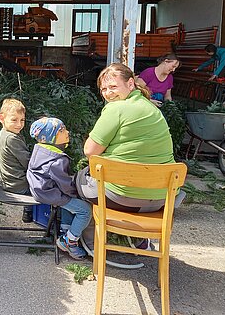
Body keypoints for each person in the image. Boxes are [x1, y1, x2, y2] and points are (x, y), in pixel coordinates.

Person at [77, 63, 176, 215]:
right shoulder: (151, 108)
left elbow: (90, 151)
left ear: (130, 83)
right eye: (104, 89)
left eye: (113, 87)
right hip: (162, 199)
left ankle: (76, 236)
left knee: (77, 180)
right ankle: (138, 239)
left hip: (123, 197)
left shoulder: (116, 108)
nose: (108, 93)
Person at [27, 117, 92, 260]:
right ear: (51, 137)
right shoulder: (56, 159)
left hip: (40, 189)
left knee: (69, 203)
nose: (67, 131)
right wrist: (78, 191)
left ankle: (66, 231)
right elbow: (65, 185)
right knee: (85, 210)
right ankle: (69, 241)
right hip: (50, 193)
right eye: (62, 130)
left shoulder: (41, 149)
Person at [0, 98, 33, 223]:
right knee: (49, 186)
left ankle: (29, 211)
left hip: (8, 181)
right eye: (14, 120)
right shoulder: (12, 138)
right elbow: (28, 163)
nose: (19, 124)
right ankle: (31, 212)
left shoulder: (4, 133)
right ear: (2, 118)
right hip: (17, 185)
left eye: (22, 120)